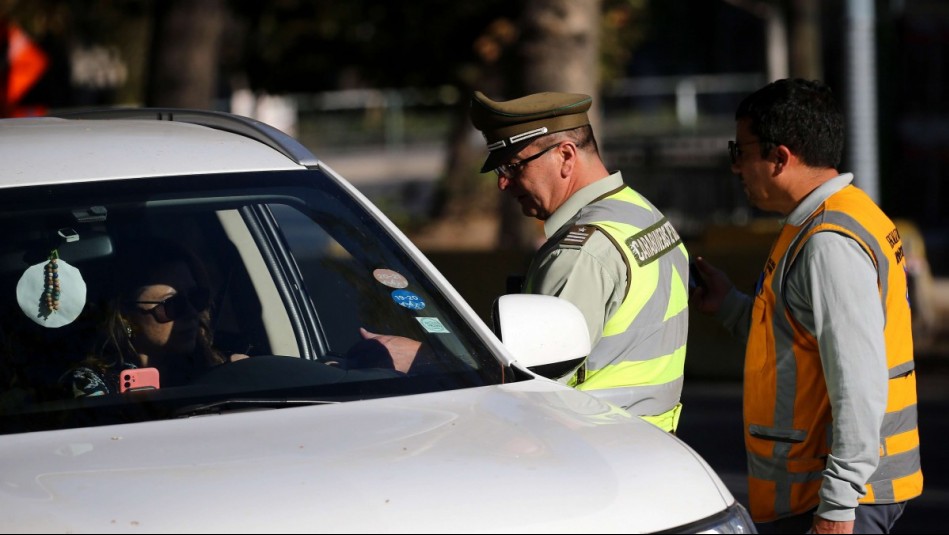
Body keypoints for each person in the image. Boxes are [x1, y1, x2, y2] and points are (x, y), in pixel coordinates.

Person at [690, 78, 923, 533]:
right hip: (841, 493)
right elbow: (799, 336)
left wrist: (836, 508)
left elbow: (859, 385)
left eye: (741, 152)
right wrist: (731, 307)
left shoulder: (828, 243)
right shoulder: (839, 215)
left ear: (780, 157)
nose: (736, 168)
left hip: (838, 498)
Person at [469, 91, 690, 433]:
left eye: (513, 166)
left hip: (592, 447)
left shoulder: (580, 253)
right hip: (649, 441)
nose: (502, 183)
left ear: (566, 156)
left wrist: (439, 357)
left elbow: (532, 384)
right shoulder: (644, 214)